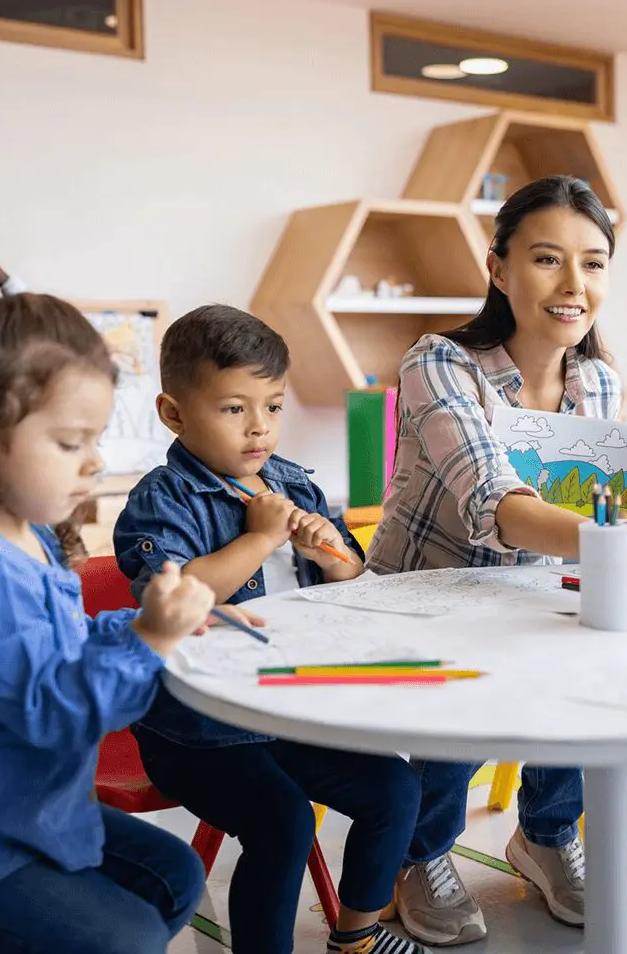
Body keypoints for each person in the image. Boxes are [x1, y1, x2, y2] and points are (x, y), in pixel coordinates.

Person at [368, 175, 627, 946]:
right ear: (497, 268)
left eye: (594, 263)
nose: (574, 285)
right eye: (548, 259)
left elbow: (588, 510)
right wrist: (621, 544)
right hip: (426, 599)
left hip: (537, 591)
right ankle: (421, 853)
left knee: (591, 659)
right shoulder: (440, 363)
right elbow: (497, 501)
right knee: (471, 687)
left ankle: (545, 836)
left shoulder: (601, 380)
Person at [0, 264, 219, 954]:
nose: (94, 463)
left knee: (172, 875)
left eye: (95, 440)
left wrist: (152, 624)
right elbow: (54, 707)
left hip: (24, 808)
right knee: (131, 937)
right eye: (69, 443)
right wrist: (148, 637)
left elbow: (66, 644)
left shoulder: (27, 536)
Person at [115, 305, 428, 954]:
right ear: (174, 414)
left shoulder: (292, 484)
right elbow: (175, 600)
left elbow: (352, 573)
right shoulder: (161, 498)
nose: (260, 428)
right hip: (199, 731)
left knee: (396, 788)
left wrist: (329, 553)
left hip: (294, 710)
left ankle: (357, 936)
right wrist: (261, 539)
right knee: (283, 822)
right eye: (234, 409)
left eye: (274, 407)